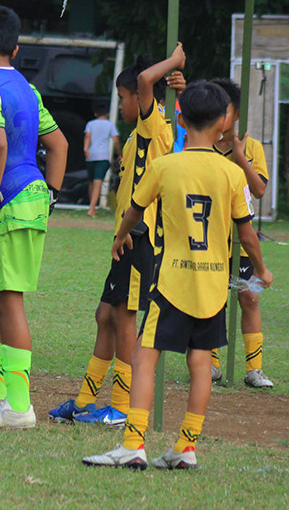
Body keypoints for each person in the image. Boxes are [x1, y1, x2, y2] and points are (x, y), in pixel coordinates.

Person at [83, 81, 272, 470]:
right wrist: (263, 269)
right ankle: (186, 447)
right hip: (213, 286)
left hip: (171, 282)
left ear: (181, 119)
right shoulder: (231, 173)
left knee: (144, 356)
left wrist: (120, 238)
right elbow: (247, 233)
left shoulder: (165, 165)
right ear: (224, 122)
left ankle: (134, 444)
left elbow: (134, 211)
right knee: (201, 363)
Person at [49, 46, 186, 426]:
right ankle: (84, 401)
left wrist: (174, 62)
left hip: (140, 240)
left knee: (124, 318)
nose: (122, 104)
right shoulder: (135, 138)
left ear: (143, 100)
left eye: (123, 98)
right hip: (125, 238)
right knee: (104, 315)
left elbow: (145, 79)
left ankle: (122, 406)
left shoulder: (153, 126)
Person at [0, 5, 68, 430]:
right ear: (17, 48)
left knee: (7, 299)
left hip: (7, 200)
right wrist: (51, 195)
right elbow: (58, 144)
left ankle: (19, 406)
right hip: (29, 196)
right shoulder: (28, 88)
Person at [209, 78, 272, 388]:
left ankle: (254, 369)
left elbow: (259, 190)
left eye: (228, 110)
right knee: (212, 301)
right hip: (212, 240)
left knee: (250, 298)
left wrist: (240, 156)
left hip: (243, 240)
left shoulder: (253, 147)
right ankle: (211, 363)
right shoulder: (204, 147)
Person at [85, 101, 120, 216]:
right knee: (98, 181)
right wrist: (120, 153)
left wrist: (85, 149)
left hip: (91, 156)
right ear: (107, 114)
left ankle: (92, 205)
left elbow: (87, 136)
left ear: (95, 113)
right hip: (102, 156)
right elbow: (115, 140)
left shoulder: (90, 124)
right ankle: (91, 208)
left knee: (91, 182)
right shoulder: (109, 125)